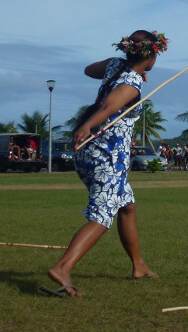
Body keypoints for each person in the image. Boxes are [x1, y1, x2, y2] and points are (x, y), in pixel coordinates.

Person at [44, 30, 168, 298]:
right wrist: (88, 124)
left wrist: (119, 68)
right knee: (102, 215)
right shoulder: (131, 84)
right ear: (152, 55)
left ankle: (139, 266)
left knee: (126, 206)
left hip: (91, 152)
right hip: (106, 156)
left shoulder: (116, 66)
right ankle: (63, 267)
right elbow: (108, 108)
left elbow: (90, 70)